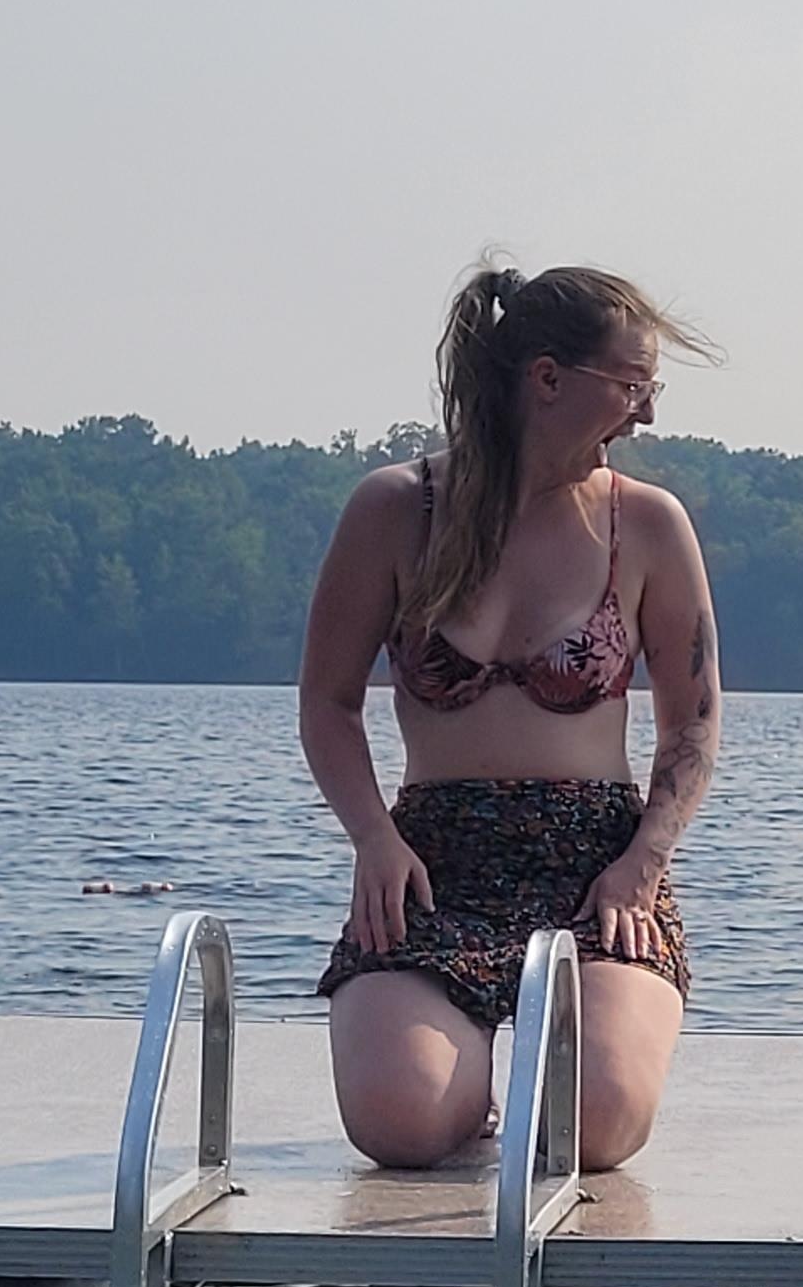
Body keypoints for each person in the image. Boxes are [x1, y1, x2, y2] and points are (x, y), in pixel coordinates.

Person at [299, 260, 723, 1171]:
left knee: (590, 1127)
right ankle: (461, 1087)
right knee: (398, 1126)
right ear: (547, 379)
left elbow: (692, 725)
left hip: (597, 868)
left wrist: (642, 866)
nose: (648, 414)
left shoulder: (648, 524)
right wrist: (373, 839)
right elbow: (328, 703)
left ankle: (544, 1062)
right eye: (632, 386)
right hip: (432, 864)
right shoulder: (394, 509)